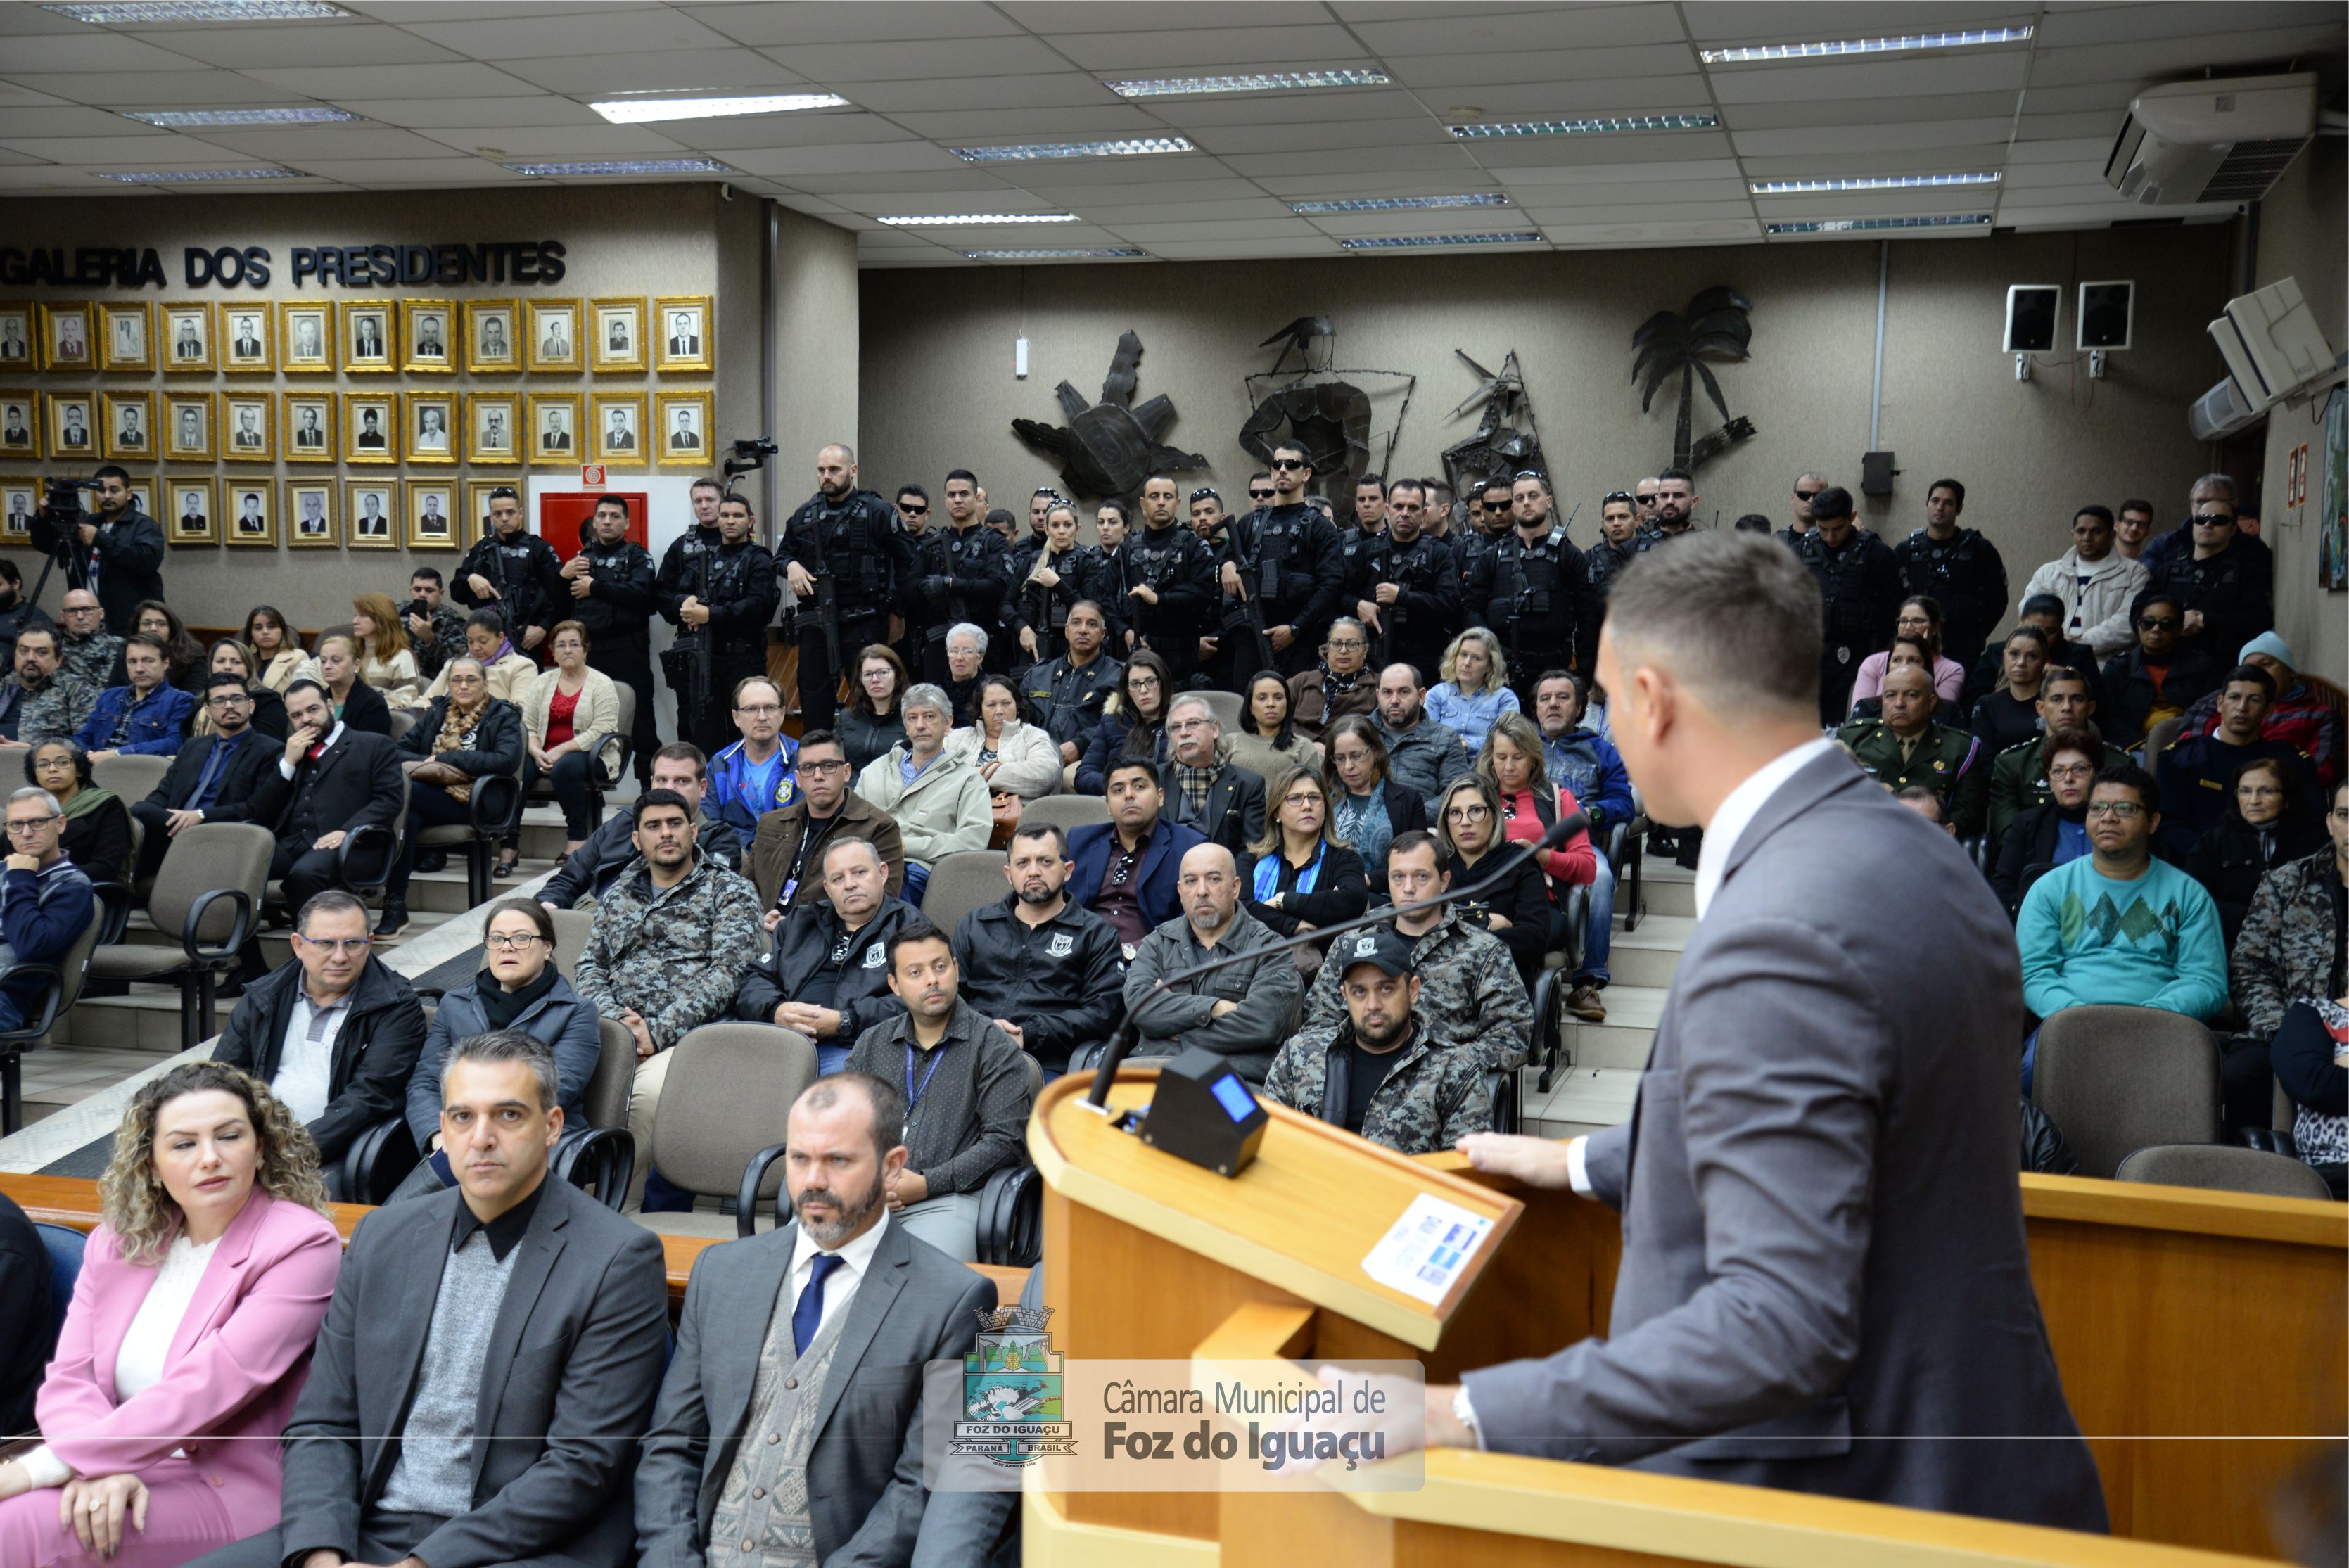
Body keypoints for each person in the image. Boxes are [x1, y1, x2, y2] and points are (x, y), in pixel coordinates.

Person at [1375, 530, 2113, 1529]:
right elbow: (1856, 1119)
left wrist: (1459, 1409)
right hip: (1974, 1456)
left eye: (1603, 698)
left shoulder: (1779, 931)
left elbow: (1776, 1328)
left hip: (1850, 1505)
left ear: (1652, 698)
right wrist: (1592, 1163)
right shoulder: (1909, 845)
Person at [195, 1032, 668, 1568]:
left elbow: (582, 1464)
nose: (482, 1137)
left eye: (508, 1115)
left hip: (515, 1543)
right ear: (442, 1129)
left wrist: (419, 1566)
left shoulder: (617, 1258)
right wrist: (321, 1553)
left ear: (552, 1126)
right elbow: (322, 1422)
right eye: (463, 1117)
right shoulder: (383, 1236)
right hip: (369, 1526)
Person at [634, 1073, 995, 1567]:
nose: (813, 1180)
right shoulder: (722, 1272)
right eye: (799, 1158)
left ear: (892, 1167)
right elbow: (672, 1444)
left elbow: (922, 1486)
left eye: (838, 1160)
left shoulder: (953, 1301)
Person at [0, 1062, 337, 1568]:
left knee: (16, 1524)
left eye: (229, 1136)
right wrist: (102, 1466)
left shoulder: (302, 1244)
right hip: (115, 1470)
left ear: (261, 1146)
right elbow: (70, 1377)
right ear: (152, 1163)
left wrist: (40, 1468)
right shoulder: (120, 1239)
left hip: (225, 1486)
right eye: (183, 1144)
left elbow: (208, 1386)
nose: (209, 1158)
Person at [573, 789, 761, 1209]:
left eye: (675, 824)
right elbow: (589, 967)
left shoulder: (728, 890)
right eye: (653, 827)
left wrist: (655, 1033)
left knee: (642, 1098)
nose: (666, 834)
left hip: (690, 1038)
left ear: (693, 831)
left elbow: (728, 976)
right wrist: (619, 1025)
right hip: (614, 1029)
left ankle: (600, 1205)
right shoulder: (620, 892)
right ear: (637, 840)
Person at [2018, 763, 2227, 1088]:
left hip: (2162, 1029)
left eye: (2125, 808)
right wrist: (2079, 1017)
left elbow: (2206, 981)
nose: (2108, 817)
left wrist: (2149, 1017)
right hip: (2069, 1028)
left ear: (2153, 822)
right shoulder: (2050, 888)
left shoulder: (2188, 894)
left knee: (2194, 1088)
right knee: (2032, 1074)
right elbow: (2033, 973)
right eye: (2098, 807)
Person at [210, 889, 427, 1197]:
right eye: (325, 943)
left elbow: (369, 1098)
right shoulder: (264, 996)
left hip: (337, 1149)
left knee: (284, 1203)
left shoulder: (396, 1006)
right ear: (298, 945)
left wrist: (287, 1151)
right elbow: (223, 1078)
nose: (340, 956)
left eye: (353, 943)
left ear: (370, 944)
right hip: (255, 1142)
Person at [839, 924, 1032, 1261]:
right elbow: (842, 1126)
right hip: (869, 1192)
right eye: (915, 972)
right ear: (894, 985)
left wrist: (927, 1184)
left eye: (940, 967)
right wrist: (870, 1182)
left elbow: (1006, 1142)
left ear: (956, 969)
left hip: (950, 1199)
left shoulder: (993, 1045)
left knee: (927, 1284)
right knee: (803, 1257)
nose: (932, 980)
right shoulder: (872, 1044)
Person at [393, 899, 600, 1199]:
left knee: (422, 1217)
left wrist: (475, 1132)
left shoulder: (576, 1011)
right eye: (497, 939)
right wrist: (439, 1136)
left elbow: (555, 1089)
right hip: (458, 1144)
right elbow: (424, 1082)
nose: (507, 947)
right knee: (406, 1219)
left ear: (547, 947)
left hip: (540, 1146)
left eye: (521, 938)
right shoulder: (454, 1004)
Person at [1289, 829, 1530, 1071]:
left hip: (1438, 1090)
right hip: (1356, 1077)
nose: (1408, 888)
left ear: (1444, 881)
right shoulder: (1351, 944)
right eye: (1398, 877)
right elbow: (1318, 1022)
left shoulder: (1483, 951)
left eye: (1421, 877)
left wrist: (1436, 1066)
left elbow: (1512, 1037)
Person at [1263, 924, 1492, 1154]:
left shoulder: (1455, 1071)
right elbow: (1266, 1147)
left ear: (1413, 990)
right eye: (1359, 992)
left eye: (1386, 989)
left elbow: (1462, 1176)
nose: (1373, 1005)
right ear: (1344, 996)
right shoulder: (1299, 1057)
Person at [950, 822, 1124, 1077]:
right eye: (1023, 863)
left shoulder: (1097, 934)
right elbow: (950, 995)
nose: (1033, 872)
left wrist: (1029, 1033)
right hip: (969, 1051)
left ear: (1067, 871)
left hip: (1047, 1063)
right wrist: (984, 1029)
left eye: (1045, 862)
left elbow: (1103, 1014)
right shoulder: (975, 925)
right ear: (1009, 874)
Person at [734, 836, 917, 1074]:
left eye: (859, 873)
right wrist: (776, 1011)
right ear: (827, 889)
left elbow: (919, 999)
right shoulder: (802, 921)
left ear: (882, 873)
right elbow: (756, 979)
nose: (850, 884)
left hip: (854, 1047)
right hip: (780, 1039)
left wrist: (844, 1021)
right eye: (838, 879)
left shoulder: (908, 926)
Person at [1123, 843, 1303, 1083]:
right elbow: (1139, 1005)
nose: (1202, 891)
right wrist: (1214, 1008)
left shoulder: (1270, 948)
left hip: (1232, 1082)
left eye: (1214, 879)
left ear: (1236, 887)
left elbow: (1263, 1024)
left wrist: (1177, 1027)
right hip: (1151, 1072)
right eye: (1191, 881)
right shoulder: (1158, 941)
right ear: (1180, 889)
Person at [2229, 780, 2349, 1136]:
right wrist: (2286, 1031)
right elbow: (2250, 966)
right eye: (2345, 816)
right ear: (2329, 822)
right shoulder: (2288, 882)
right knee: (2238, 1075)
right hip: (2282, 1033)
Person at [376, 658, 524, 938]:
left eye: (471, 680)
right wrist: (431, 764)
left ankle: (381, 887)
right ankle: (395, 904)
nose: (463, 685)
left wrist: (445, 759)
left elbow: (506, 760)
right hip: (431, 794)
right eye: (457, 680)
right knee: (408, 813)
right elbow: (397, 751)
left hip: (478, 799)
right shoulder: (438, 712)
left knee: (405, 796)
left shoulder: (502, 715)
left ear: (486, 684)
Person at [241, 680, 405, 929]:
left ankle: (309, 956)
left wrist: (347, 830)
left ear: (330, 705)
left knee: (304, 875)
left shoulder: (373, 745)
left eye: (313, 710)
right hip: (291, 843)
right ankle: (250, 962)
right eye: (297, 715)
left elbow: (389, 800)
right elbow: (262, 811)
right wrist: (287, 764)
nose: (306, 719)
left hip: (351, 844)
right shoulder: (289, 754)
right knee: (235, 865)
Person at [784, 445, 915, 730]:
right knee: (814, 703)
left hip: (864, 622)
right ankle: (819, 764)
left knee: (873, 701)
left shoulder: (877, 511)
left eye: (835, 469)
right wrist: (790, 566)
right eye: (821, 470)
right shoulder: (805, 514)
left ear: (853, 471)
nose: (827, 476)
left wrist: (897, 610)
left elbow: (910, 563)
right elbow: (782, 555)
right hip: (816, 624)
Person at [1481, 711, 1601, 1001]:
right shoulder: (1474, 797)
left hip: (1540, 905)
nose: (1508, 766)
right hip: (1483, 898)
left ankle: (1517, 1019)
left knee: (1509, 940)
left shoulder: (1559, 799)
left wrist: (1543, 857)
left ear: (1534, 758)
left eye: (1518, 757)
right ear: (1490, 758)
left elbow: (1587, 869)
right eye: (1501, 757)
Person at [540, 741, 742, 910]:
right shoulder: (624, 823)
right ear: (652, 783)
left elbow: (708, 901)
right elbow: (569, 877)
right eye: (662, 780)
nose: (670, 789)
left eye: (682, 781)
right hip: (590, 923)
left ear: (702, 788)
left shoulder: (718, 838)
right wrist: (548, 904)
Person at [2156, 663, 2323, 860]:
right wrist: (2213, 855)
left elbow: (2312, 822)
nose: (2242, 708)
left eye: (2254, 700)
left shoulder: (2291, 762)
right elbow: (2167, 824)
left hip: (2273, 868)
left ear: (2269, 710)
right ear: (2220, 703)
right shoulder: (2180, 758)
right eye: (2234, 698)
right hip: (2200, 866)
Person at [662, 486, 779, 756]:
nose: (730, 521)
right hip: (705, 659)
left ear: (750, 521)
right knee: (704, 733)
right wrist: (685, 602)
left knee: (747, 731)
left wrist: (710, 614)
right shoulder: (704, 558)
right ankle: (709, 795)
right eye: (725, 515)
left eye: (737, 516)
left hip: (743, 659)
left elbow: (758, 607)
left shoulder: (759, 558)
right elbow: (675, 593)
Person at [854, 682, 991, 905]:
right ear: (905, 725)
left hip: (921, 870)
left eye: (929, 717)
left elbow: (973, 841)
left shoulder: (968, 780)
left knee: (886, 889)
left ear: (948, 723)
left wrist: (907, 846)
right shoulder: (875, 771)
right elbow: (851, 825)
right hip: (867, 865)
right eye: (912, 718)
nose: (920, 725)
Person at [745, 727, 904, 917]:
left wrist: (795, 927)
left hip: (828, 938)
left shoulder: (878, 827)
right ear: (798, 779)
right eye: (808, 768)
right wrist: (756, 922)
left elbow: (882, 902)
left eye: (828, 766)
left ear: (846, 773)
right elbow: (744, 887)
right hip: (764, 931)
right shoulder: (771, 823)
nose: (818, 776)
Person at [129, 675, 272, 881]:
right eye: (219, 701)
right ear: (208, 710)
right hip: (172, 829)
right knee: (129, 817)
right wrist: (151, 816)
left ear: (251, 705)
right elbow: (163, 792)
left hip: (217, 834)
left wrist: (201, 815)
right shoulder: (193, 746)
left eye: (237, 699)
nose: (229, 706)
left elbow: (254, 808)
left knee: (131, 815)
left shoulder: (269, 750)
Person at [1469, 471, 1594, 703]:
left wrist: (1584, 675)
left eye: (1533, 496)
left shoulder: (1570, 556)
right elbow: (1471, 609)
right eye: (1519, 498)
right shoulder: (1492, 557)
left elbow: (1588, 616)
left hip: (1556, 671)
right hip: (1502, 674)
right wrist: (1491, 657)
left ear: (1548, 502)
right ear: (1513, 508)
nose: (1526, 502)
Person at [561, 494, 661, 786]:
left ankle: (649, 791)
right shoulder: (581, 560)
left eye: (615, 516)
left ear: (626, 522)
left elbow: (642, 595)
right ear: (594, 521)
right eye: (602, 515)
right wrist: (561, 575)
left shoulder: (637, 556)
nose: (607, 521)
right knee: (586, 726)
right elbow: (560, 606)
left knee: (642, 727)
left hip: (628, 652)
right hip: (590, 657)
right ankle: (592, 790)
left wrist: (596, 587)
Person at [2186, 755, 2327, 952]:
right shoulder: (2214, 842)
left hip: (2303, 945)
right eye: (2245, 791)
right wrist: (2255, 918)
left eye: (2266, 791)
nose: (2253, 801)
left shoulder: (2314, 842)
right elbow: (2197, 900)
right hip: (2230, 945)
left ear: (2287, 798)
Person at [1067, 758, 1207, 952]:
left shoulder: (1189, 847)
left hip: (1151, 962)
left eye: (1139, 787)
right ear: (1107, 805)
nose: (1129, 795)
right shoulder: (1079, 841)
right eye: (1118, 790)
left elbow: (1194, 922)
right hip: (1078, 957)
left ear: (1160, 797)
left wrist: (1130, 951)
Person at [1834, 663, 1988, 837]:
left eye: (1911, 695)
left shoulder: (1961, 748)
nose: (1899, 703)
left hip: (1929, 845)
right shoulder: (1854, 739)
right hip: (1861, 838)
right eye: (1890, 695)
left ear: (1931, 702)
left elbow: (1967, 815)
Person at [2175, 632, 2341, 791]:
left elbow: (2321, 771)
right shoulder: (2214, 703)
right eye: (2249, 667)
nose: (2242, 707)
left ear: (2290, 671)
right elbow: (2189, 749)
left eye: (2266, 664)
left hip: (2280, 794)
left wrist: (2267, 783)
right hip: (2212, 785)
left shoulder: (2317, 714)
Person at [514, 620, 620, 866]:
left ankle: (577, 838)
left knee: (565, 767)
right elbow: (527, 723)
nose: (567, 650)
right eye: (561, 645)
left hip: (592, 754)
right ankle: (510, 842)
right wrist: (535, 750)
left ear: (585, 649)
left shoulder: (601, 683)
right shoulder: (542, 681)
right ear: (552, 650)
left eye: (574, 644)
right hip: (542, 751)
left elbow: (604, 728)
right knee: (518, 767)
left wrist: (561, 749)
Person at [1795, 485, 1903, 725]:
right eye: (1823, 529)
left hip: (1860, 660)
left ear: (1852, 518)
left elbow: (1896, 608)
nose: (1830, 537)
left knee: (1850, 727)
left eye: (1838, 529)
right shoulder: (1800, 552)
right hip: (1810, 660)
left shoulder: (1877, 554)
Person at [0, 782, 98, 1031]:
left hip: (6, 999)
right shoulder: (4, 871)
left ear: (60, 824)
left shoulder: (74, 887)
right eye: (16, 825)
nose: (26, 833)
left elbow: (32, 946)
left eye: (37, 822)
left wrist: (22, 878)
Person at [1240, 761, 1368, 946]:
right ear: (1276, 810)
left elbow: (1352, 900)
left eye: (1315, 798)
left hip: (1319, 969)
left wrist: (1282, 901)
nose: (1307, 806)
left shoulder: (1344, 859)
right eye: (1295, 798)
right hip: (1252, 966)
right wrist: (1295, 924)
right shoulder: (1250, 860)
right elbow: (1240, 910)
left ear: (1325, 808)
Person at [1350, 477, 1460, 691]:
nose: (1405, 513)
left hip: (1424, 658)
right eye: (1399, 507)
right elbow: (1341, 595)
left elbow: (1451, 604)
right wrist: (1358, 605)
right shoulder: (1367, 550)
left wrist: (1402, 596)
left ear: (1424, 513)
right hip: (1373, 657)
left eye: (1413, 508)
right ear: (1388, 509)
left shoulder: (1439, 553)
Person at [1892, 478, 2008, 669]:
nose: (1940, 508)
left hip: (1963, 648)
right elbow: (1892, 599)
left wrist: (1977, 633)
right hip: (1915, 648)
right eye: (1935, 501)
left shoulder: (1979, 549)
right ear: (1926, 504)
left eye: (1948, 503)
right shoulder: (1906, 550)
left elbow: (1998, 599)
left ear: (1959, 509)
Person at [2151, 487, 2273, 663]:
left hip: (2221, 669)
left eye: (2219, 520)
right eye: (2202, 519)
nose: (2208, 524)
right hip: (2167, 665)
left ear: (2232, 529)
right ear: (2193, 525)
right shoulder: (2167, 571)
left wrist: (2205, 619)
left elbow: (2259, 620)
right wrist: (2177, 620)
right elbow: (2139, 612)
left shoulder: (2247, 573)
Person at [1990, 730, 2103, 917]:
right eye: (2058, 771)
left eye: (2080, 769)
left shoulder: (2114, 821)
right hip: (2043, 925)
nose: (2068, 778)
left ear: (2096, 774)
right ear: (2049, 781)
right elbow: (2004, 887)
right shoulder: (2027, 824)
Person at [1985, 665, 2097, 850]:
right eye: (2057, 699)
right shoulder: (2012, 764)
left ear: (2090, 708)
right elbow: (2008, 835)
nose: (2067, 708)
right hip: (2032, 864)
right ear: (2041, 708)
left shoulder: (2116, 763)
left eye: (2077, 699)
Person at [2019, 504, 2150, 660]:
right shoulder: (2048, 572)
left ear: (2112, 534)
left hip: (2105, 664)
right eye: (2081, 531)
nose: (2087, 538)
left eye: (2096, 531)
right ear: (2073, 533)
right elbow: (2026, 613)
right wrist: (2055, 643)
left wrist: (2076, 645)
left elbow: (2128, 623)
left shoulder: (2135, 573)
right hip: (2049, 659)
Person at [1120, 474, 1216, 684]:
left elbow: (1202, 593)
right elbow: (1106, 600)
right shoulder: (1126, 550)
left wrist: (1159, 599)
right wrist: (1125, 632)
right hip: (1136, 650)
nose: (1161, 502)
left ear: (1178, 504)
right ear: (1143, 504)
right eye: (1154, 496)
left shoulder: (1194, 546)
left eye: (1168, 496)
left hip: (1182, 654)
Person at [2098, 589, 2221, 750]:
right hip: (2133, 747)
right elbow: (2107, 717)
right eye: (2148, 623)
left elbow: (2208, 713)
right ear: (2138, 625)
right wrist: (2141, 745)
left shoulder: (2201, 666)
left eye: (2166, 624)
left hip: (2187, 744)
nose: (2155, 630)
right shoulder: (2118, 667)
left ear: (2179, 630)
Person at [1323, 712, 1429, 888]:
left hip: (1381, 896)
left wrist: (1369, 879)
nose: (1348, 766)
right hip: (1326, 892)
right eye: (1340, 758)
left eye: (1356, 756)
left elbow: (1418, 860)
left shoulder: (1408, 801)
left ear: (1376, 753)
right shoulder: (1323, 799)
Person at [1158, 692, 1268, 854]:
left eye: (1193, 723)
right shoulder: (1153, 779)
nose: (1184, 733)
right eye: (1175, 727)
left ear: (1215, 729)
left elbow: (1251, 852)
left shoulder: (1249, 785)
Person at [1021, 599, 1121, 773]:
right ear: (1067, 631)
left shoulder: (1119, 676)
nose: (1083, 630)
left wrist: (1080, 744)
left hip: (1091, 762)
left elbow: (1122, 722)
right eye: (1076, 623)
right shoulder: (1038, 675)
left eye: (1092, 624)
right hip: (1033, 759)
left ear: (1103, 633)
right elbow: (1018, 720)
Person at [946, 673, 1061, 815]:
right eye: (991, 705)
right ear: (980, 710)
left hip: (1020, 819)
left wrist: (974, 774)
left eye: (1006, 703)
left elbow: (1044, 775)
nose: (999, 711)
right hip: (962, 816)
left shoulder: (1034, 736)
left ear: (1017, 706)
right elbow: (939, 775)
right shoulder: (956, 738)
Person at [70, 467, 165, 636]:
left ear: (128, 493)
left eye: (114, 490)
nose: (107, 496)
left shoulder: (143, 525)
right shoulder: (89, 522)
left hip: (130, 624)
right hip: (89, 622)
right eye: (101, 490)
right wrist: (42, 518)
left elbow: (147, 561)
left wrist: (100, 539)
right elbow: (49, 546)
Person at [1008, 499, 1102, 670]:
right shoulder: (1030, 560)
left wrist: (1058, 584)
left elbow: (1092, 609)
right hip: (1030, 646)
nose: (1061, 531)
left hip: (1069, 649)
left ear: (1077, 529)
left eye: (1067, 525)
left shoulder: (1085, 562)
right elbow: (1005, 604)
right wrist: (1022, 628)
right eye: (1055, 526)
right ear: (1047, 529)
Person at [1371, 661, 1473, 812]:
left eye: (1404, 692)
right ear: (1378, 695)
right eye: (1387, 692)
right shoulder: (1359, 733)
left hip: (1421, 830)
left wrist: (1414, 817)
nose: (1394, 700)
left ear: (1421, 696)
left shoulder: (1445, 739)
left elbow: (1456, 793)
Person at [75, 634, 192, 759]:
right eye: (132, 662)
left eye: (148, 661)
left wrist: (117, 754)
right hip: (95, 767)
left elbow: (175, 743)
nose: (139, 669)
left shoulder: (181, 701)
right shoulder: (109, 696)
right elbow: (82, 737)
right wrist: (87, 755)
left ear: (165, 663)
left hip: (139, 771)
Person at [1074, 649, 1171, 795]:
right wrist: (1120, 784)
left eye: (1151, 682)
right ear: (1128, 690)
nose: (1143, 690)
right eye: (1135, 684)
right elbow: (1083, 776)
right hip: (1119, 807)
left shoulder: (1180, 723)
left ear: (1163, 682)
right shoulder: (1113, 721)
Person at [1847, 596, 1967, 712]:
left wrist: (1922, 654)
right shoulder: (1874, 663)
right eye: (1903, 621)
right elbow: (1859, 714)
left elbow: (1939, 715)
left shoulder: (1952, 671)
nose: (1908, 628)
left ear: (1935, 627)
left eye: (1917, 621)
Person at [1424, 626, 1522, 756]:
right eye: (1463, 655)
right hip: (1443, 763)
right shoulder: (1437, 694)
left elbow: (1508, 741)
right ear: (1455, 657)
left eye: (1476, 658)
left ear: (1489, 666)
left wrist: (1469, 745)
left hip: (1486, 767)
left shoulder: (1505, 698)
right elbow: (1426, 737)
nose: (1467, 663)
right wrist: (1454, 745)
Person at [418, 607, 539, 708]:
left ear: (501, 637)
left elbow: (520, 708)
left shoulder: (521, 666)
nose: (476, 648)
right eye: (470, 642)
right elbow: (426, 700)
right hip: (447, 726)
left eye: (483, 641)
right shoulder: (453, 665)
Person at [0, 625, 98, 749]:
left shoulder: (75, 688)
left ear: (58, 660)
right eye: (24, 651)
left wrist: (32, 750)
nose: (30, 658)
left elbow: (88, 743)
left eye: (41, 652)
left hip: (47, 764)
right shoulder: (4, 687)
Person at [1969, 624, 2054, 756]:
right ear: (2004, 657)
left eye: (2032, 656)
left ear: (2044, 661)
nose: (2021, 663)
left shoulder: (2056, 704)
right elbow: (1983, 760)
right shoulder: (1986, 705)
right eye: (2014, 654)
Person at [1230, 668, 1324, 782]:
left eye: (1278, 698)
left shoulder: (1303, 747)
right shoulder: (1230, 743)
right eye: (1262, 698)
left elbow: (1314, 792)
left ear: (1287, 705)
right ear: (1250, 707)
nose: (1271, 704)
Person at [188, 641, 288, 742]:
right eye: (220, 661)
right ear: (211, 667)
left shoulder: (267, 700)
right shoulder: (198, 702)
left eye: (236, 662)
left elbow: (269, 745)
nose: (227, 667)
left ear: (248, 668)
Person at [838, 642, 912, 775]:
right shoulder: (847, 718)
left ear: (897, 676)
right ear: (860, 680)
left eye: (883, 673)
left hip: (895, 791)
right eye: (868, 674)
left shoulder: (912, 718)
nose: (875, 680)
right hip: (853, 792)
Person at [303, 635, 391, 737]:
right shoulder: (318, 699)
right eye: (323, 661)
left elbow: (370, 747)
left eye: (336, 660)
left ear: (356, 665)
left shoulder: (373, 702)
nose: (327, 666)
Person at [345, 592, 419, 706]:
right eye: (356, 615)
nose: (355, 621)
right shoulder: (351, 654)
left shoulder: (402, 657)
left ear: (382, 619)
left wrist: (362, 707)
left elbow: (403, 703)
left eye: (363, 615)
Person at [399, 569, 468, 682]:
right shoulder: (399, 611)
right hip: (396, 678)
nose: (422, 594)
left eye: (429, 590)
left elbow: (455, 664)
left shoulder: (454, 621)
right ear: (410, 590)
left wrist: (429, 639)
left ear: (441, 594)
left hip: (433, 684)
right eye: (417, 589)